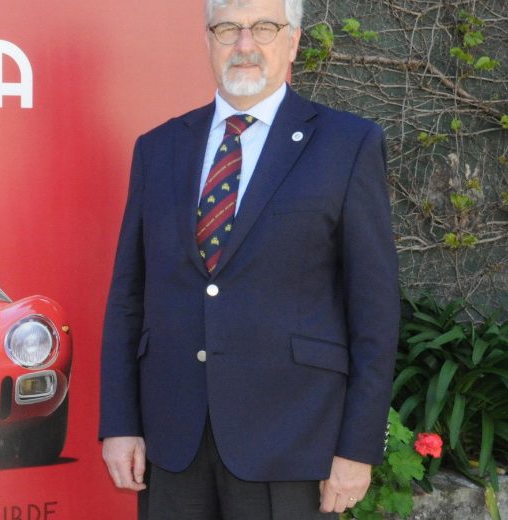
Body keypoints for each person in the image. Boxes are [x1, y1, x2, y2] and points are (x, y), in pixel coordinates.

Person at [99, 0, 400, 518]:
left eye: (263, 27)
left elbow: (374, 310)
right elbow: (129, 296)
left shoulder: (348, 145)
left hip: (293, 443)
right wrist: (121, 423)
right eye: (227, 29)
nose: (244, 45)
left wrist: (357, 447)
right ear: (207, 41)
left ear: (293, 41)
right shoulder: (158, 148)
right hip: (173, 442)